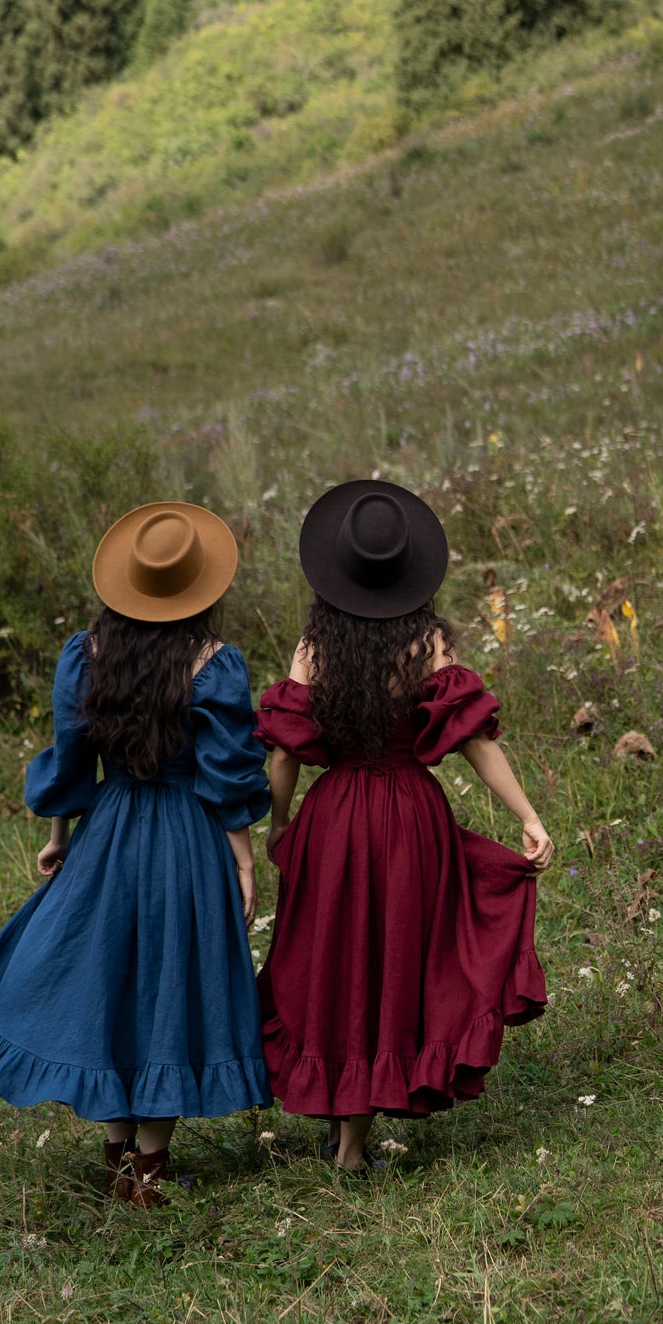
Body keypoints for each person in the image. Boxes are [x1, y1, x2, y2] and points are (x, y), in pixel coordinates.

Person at [0, 502, 271, 1207]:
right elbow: (226, 774)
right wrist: (243, 860)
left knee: (107, 984)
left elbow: (69, 763)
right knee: (167, 990)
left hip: (110, 831)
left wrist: (59, 839)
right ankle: (148, 1172)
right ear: (200, 586)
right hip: (187, 837)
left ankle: (117, 1158)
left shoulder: (85, 654)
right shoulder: (214, 665)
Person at [255, 480, 553, 1174]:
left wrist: (279, 824)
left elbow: (283, 751)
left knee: (336, 960)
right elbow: (476, 741)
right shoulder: (427, 642)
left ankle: (340, 1119)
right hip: (410, 821)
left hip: (335, 817)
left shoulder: (313, 644)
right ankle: (351, 1152)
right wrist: (526, 815)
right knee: (392, 962)